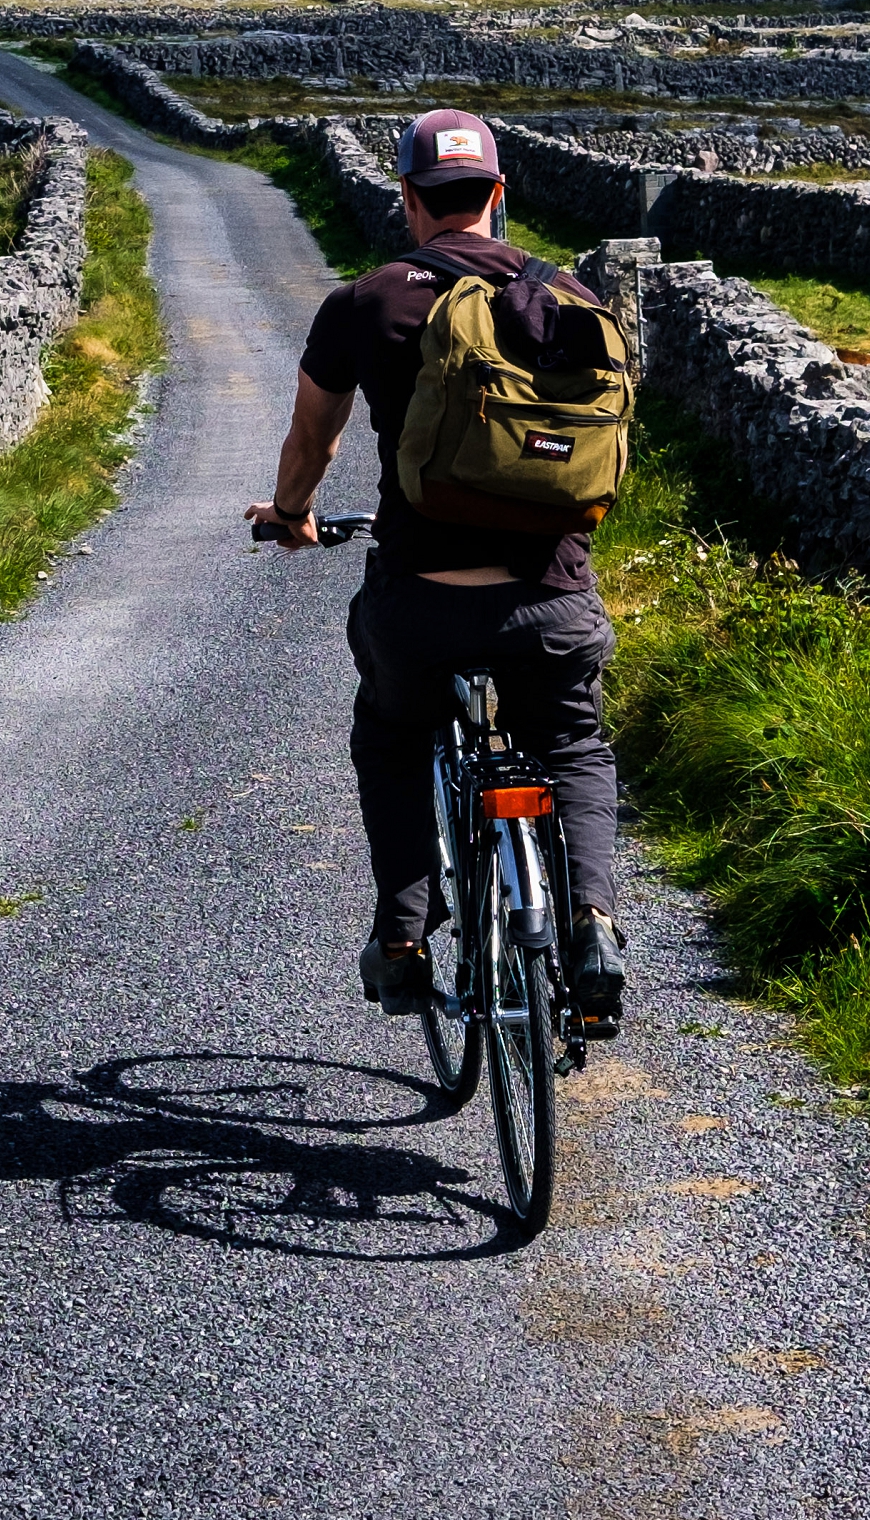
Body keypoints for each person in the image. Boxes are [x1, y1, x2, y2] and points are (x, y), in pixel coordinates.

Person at [245, 109, 629, 1036]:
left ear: (409, 200)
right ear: (498, 197)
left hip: (420, 604)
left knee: (391, 732)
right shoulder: (572, 298)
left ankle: (407, 939)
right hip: (552, 602)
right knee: (572, 741)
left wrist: (292, 514)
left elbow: (312, 436)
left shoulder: (368, 302)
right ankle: (594, 924)